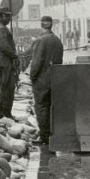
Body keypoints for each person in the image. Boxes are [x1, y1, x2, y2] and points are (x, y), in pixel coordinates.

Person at [29, 16, 64, 145]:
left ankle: (44, 137)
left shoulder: (41, 40)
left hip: (42, 79)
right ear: (51, 25)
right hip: (55, 77)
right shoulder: (57, 40)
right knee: (51, 106)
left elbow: (37, 62)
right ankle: (52, 133)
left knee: (41, 107)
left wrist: (32, 76)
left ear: (42, 25)